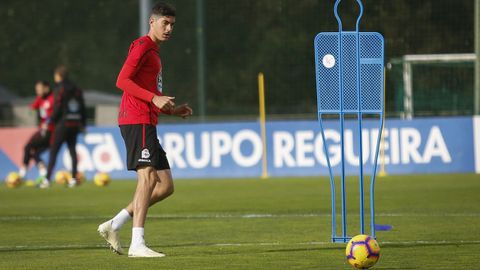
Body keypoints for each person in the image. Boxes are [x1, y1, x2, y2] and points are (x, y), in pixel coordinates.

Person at [97, 2, 192, 258]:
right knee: (148, 177)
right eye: (165, 23)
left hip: (147, 121)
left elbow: (152, 96)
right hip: (135, 120)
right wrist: (153, 98)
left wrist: (173, 109)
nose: (169, 28)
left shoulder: (155, 53)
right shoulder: (142, 46)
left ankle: (114, 224)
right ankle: (137, 243)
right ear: (152, 22)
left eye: (172, 24)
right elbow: (122, 80)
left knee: (165, 186)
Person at [39, 66, 86, 188]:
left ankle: (47, 180)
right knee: (72, 151)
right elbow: (82, 107)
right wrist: (83, 123)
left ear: (58, 76)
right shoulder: (76, 89)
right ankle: (74, 179)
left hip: (62, 124)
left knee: (54, 151)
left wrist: (50, 121)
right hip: (75, 124)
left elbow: (57, 107)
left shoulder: (60, 88)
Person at [19, 80, 55, 180]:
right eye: (36, 90)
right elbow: (34, 106)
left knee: (28, 147)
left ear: (46, 88)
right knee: (36, 153)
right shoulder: (40, 99)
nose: (37, 91)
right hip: (44, 130)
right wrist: (31, 108)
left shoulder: (53, 99)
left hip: (49, 131)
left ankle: (22, 173)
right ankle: (43, 172)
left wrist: (48, 122)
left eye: (39, 89)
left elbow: (54, 114)